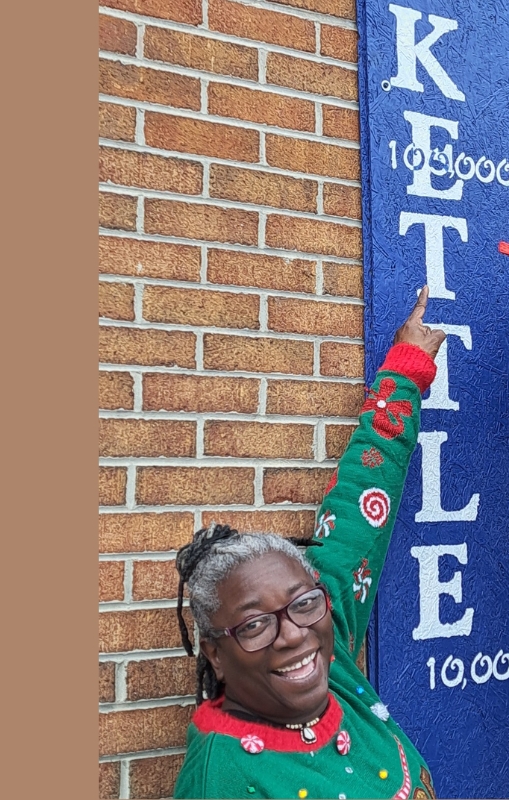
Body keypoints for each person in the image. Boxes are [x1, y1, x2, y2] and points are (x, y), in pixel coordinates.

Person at [172, 288, 445, 799]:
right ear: (215, 654)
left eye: (303, 603)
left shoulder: (327, 649)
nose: (293, 634)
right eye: (254, 624)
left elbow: (359, 514)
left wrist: (404, 375)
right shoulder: (221, 780)